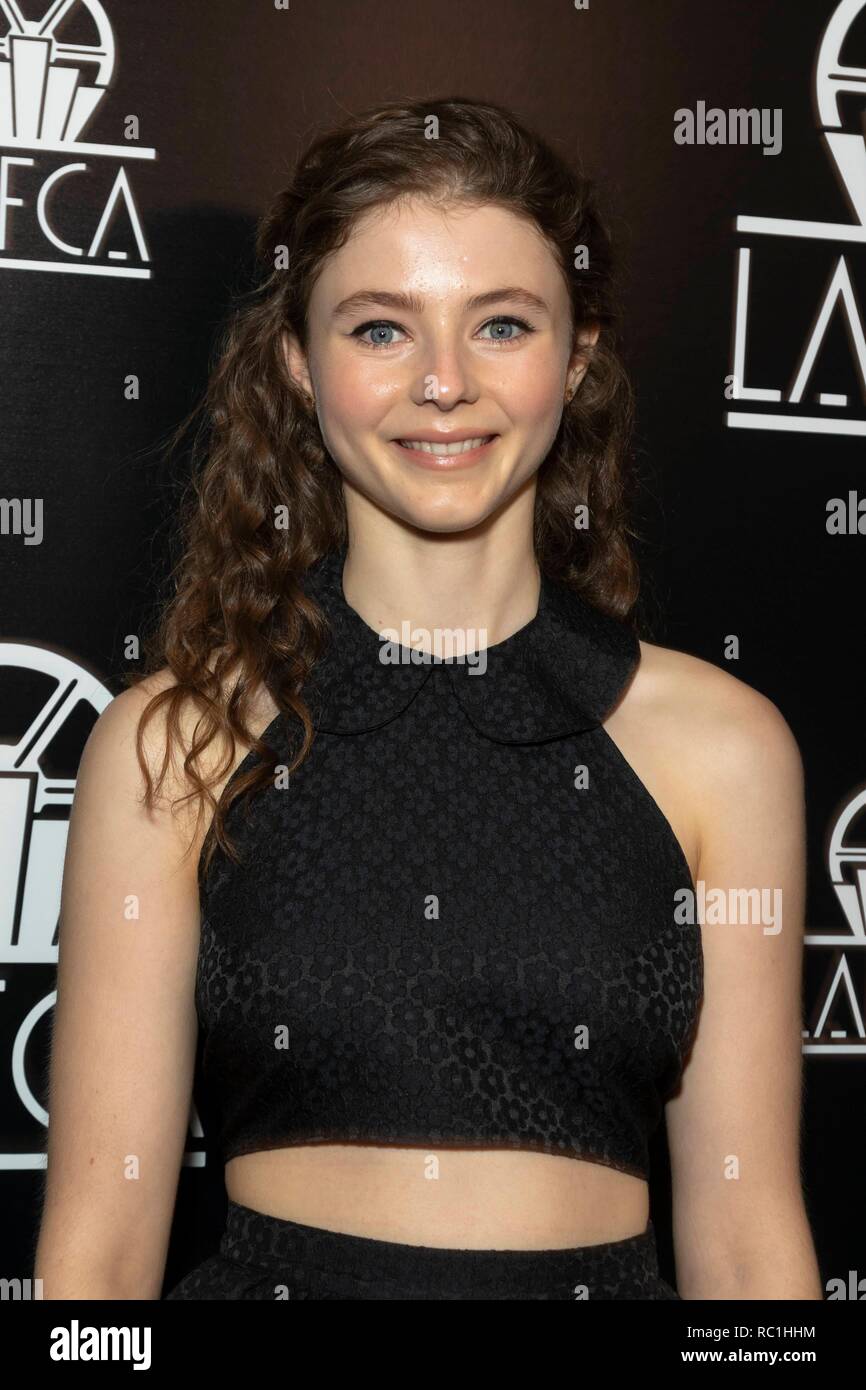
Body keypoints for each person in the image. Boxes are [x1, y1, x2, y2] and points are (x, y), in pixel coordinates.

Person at [33, 97, 823, 1300]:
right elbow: (96, 1255)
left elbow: (748, 1234)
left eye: (500, 324)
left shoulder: (721, 748)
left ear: (578, 351)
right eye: (381, 330)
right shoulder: (173, 740)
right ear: (299, 361)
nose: (443, 383)